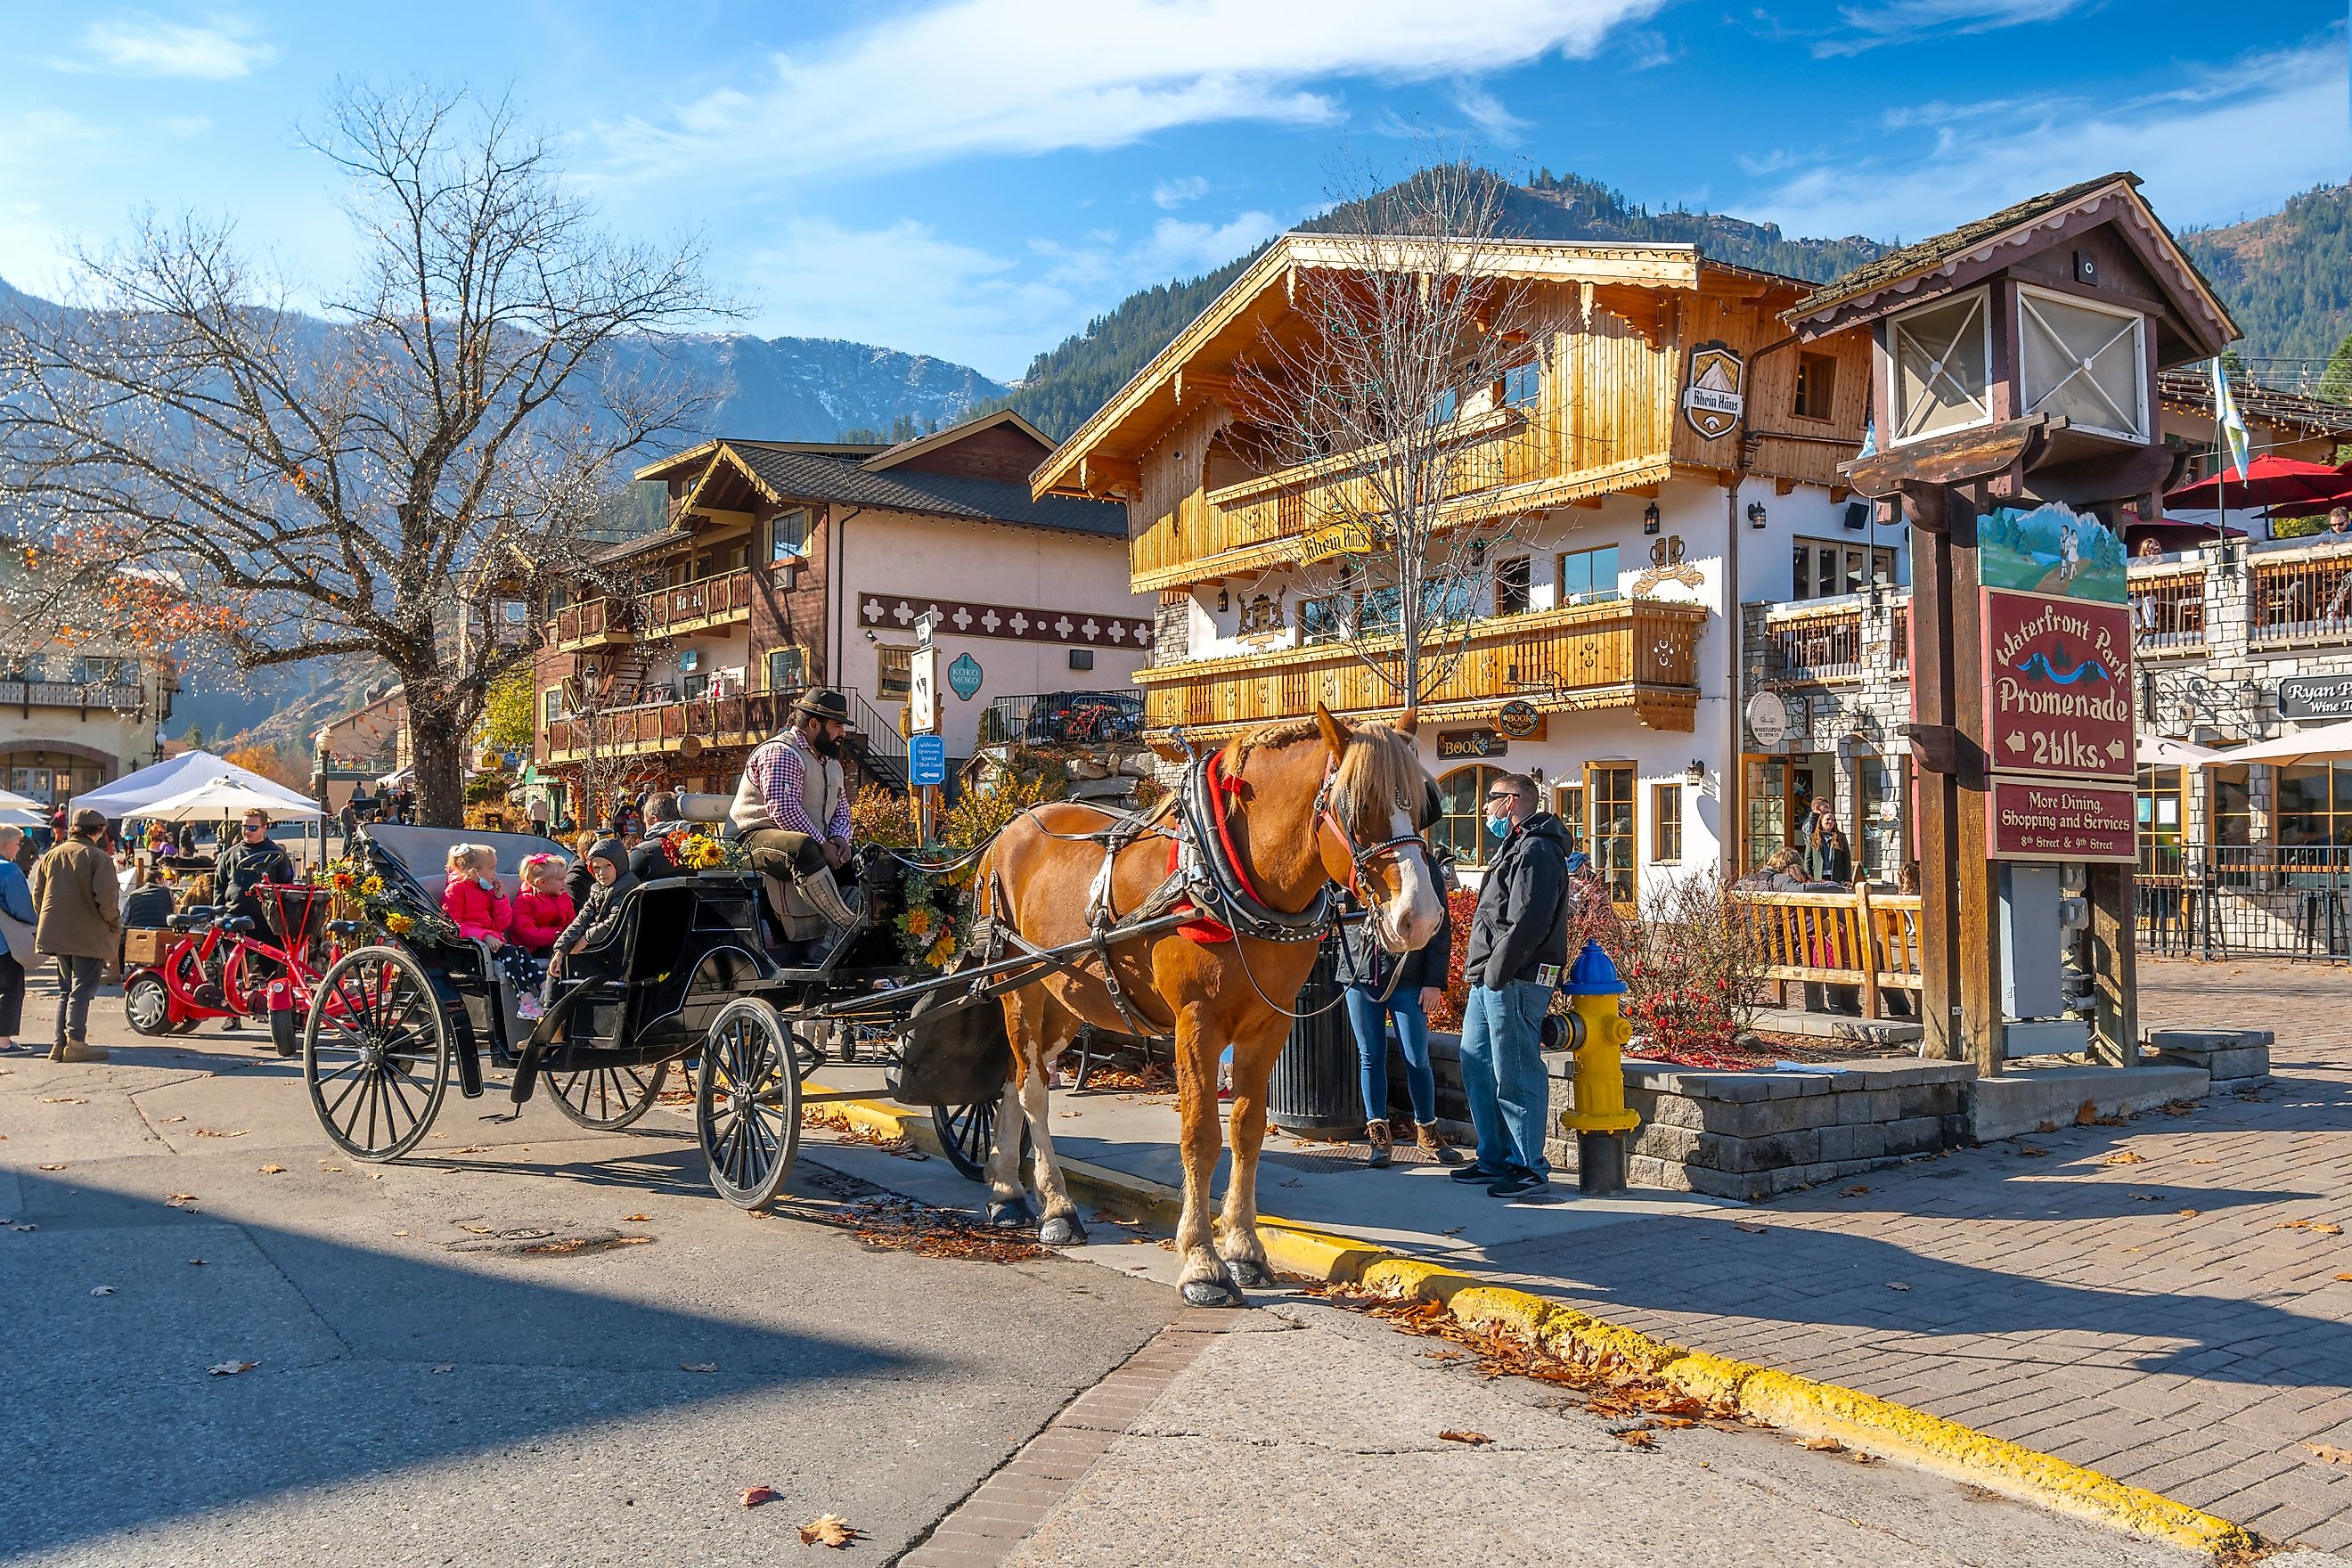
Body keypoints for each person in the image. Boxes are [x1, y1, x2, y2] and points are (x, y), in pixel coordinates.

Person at [1448, 772, 1571, 1204]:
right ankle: (1494, 1157)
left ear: (1513, 800)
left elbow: (1529, 921)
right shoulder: (1516, 845)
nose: (1485, 808)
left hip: (1515, 977)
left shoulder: (1537, 849)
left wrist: (1497, 971)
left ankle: (1527, 1166)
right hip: (1490, 976)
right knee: (1477, 1065)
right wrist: (1481, 971)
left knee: (1515, 1071)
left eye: (1492, 799)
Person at [1337, 886, 1458, 1167]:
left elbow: (1439, 926)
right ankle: (1379, 1136)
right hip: (1360, 971)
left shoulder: (1422, 865)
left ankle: (1427, 1132)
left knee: (1417, 1058)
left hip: (1408, 974)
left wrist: (1434, 981)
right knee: (1371, 1055)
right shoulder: (1351, 863)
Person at [731, 688, 861, 930]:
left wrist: (840, 840)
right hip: (752, 838)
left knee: (860, 858)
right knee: (802, 848)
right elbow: (783, 810)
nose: (842, 733)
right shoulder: (782, 752)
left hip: (810, 839)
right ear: (814, 724)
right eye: (837, 726)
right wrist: (823, 845)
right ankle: (847, 926)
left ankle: (866, 928)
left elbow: (841, 809)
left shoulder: (831, 762)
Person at [31, 808, 119, 1062]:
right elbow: (107, 901)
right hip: (88, 934)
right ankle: (76, 1044)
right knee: (81, 990)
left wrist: (51, 921)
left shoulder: (52, 854)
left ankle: (59, 1044)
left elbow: (38, 896)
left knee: (65, 990)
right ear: (99, 830)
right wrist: (114, 923)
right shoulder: (98, 857)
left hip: (57, 933)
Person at [544, 838, 637, 1003]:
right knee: (561, 958)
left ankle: (561, 1016)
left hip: (617, 952)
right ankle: (550, 1012)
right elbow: (583, 917)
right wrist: (561, 947)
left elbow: (613, 922)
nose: (602, 873)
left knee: (572, 962)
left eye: (608, 866)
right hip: (604, 947)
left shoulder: (628, 888)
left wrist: (586, 939)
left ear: (619, 865)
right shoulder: (598, 889)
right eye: (597, 868)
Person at [213, 810, 297, 939]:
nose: (247, 832)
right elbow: (219, 887)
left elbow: (287, 887)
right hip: (233, 919)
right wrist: (218, 913)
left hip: (266, 922)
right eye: (244, 827)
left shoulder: (277, 855)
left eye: (252, 828)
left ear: (264, 828)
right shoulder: (230, 855)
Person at [0, 825, 36, 1055]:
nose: (18, 849)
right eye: (17, 844)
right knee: (10, 989)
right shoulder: (9, 871)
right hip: (5, 943)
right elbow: (23, 908)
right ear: (5, 845)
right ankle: (3, 1042)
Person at [439, 845, 510, 945]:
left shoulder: (488, 889)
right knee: (510, 954)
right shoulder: (456, 890)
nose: (495, 873)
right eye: (491, 868)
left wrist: (499, 899)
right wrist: (484, 936)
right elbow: (452, 926)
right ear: (474, 872)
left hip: (494, 942)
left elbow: (501, 926)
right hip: (473, 946)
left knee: (522, 952)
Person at [629, 792, 698, 880]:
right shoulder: (699, 849)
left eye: (645, 821)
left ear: (654, 819)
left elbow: (624, 885)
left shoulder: (642, 853)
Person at [1795, 795, 1844, 883]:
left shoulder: (1831, 827)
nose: (1829, 810)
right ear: (1817, 808)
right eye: (1826, 807)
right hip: (1818, 871)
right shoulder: (1810, 823)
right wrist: (1809, 876)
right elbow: (1810, 850)